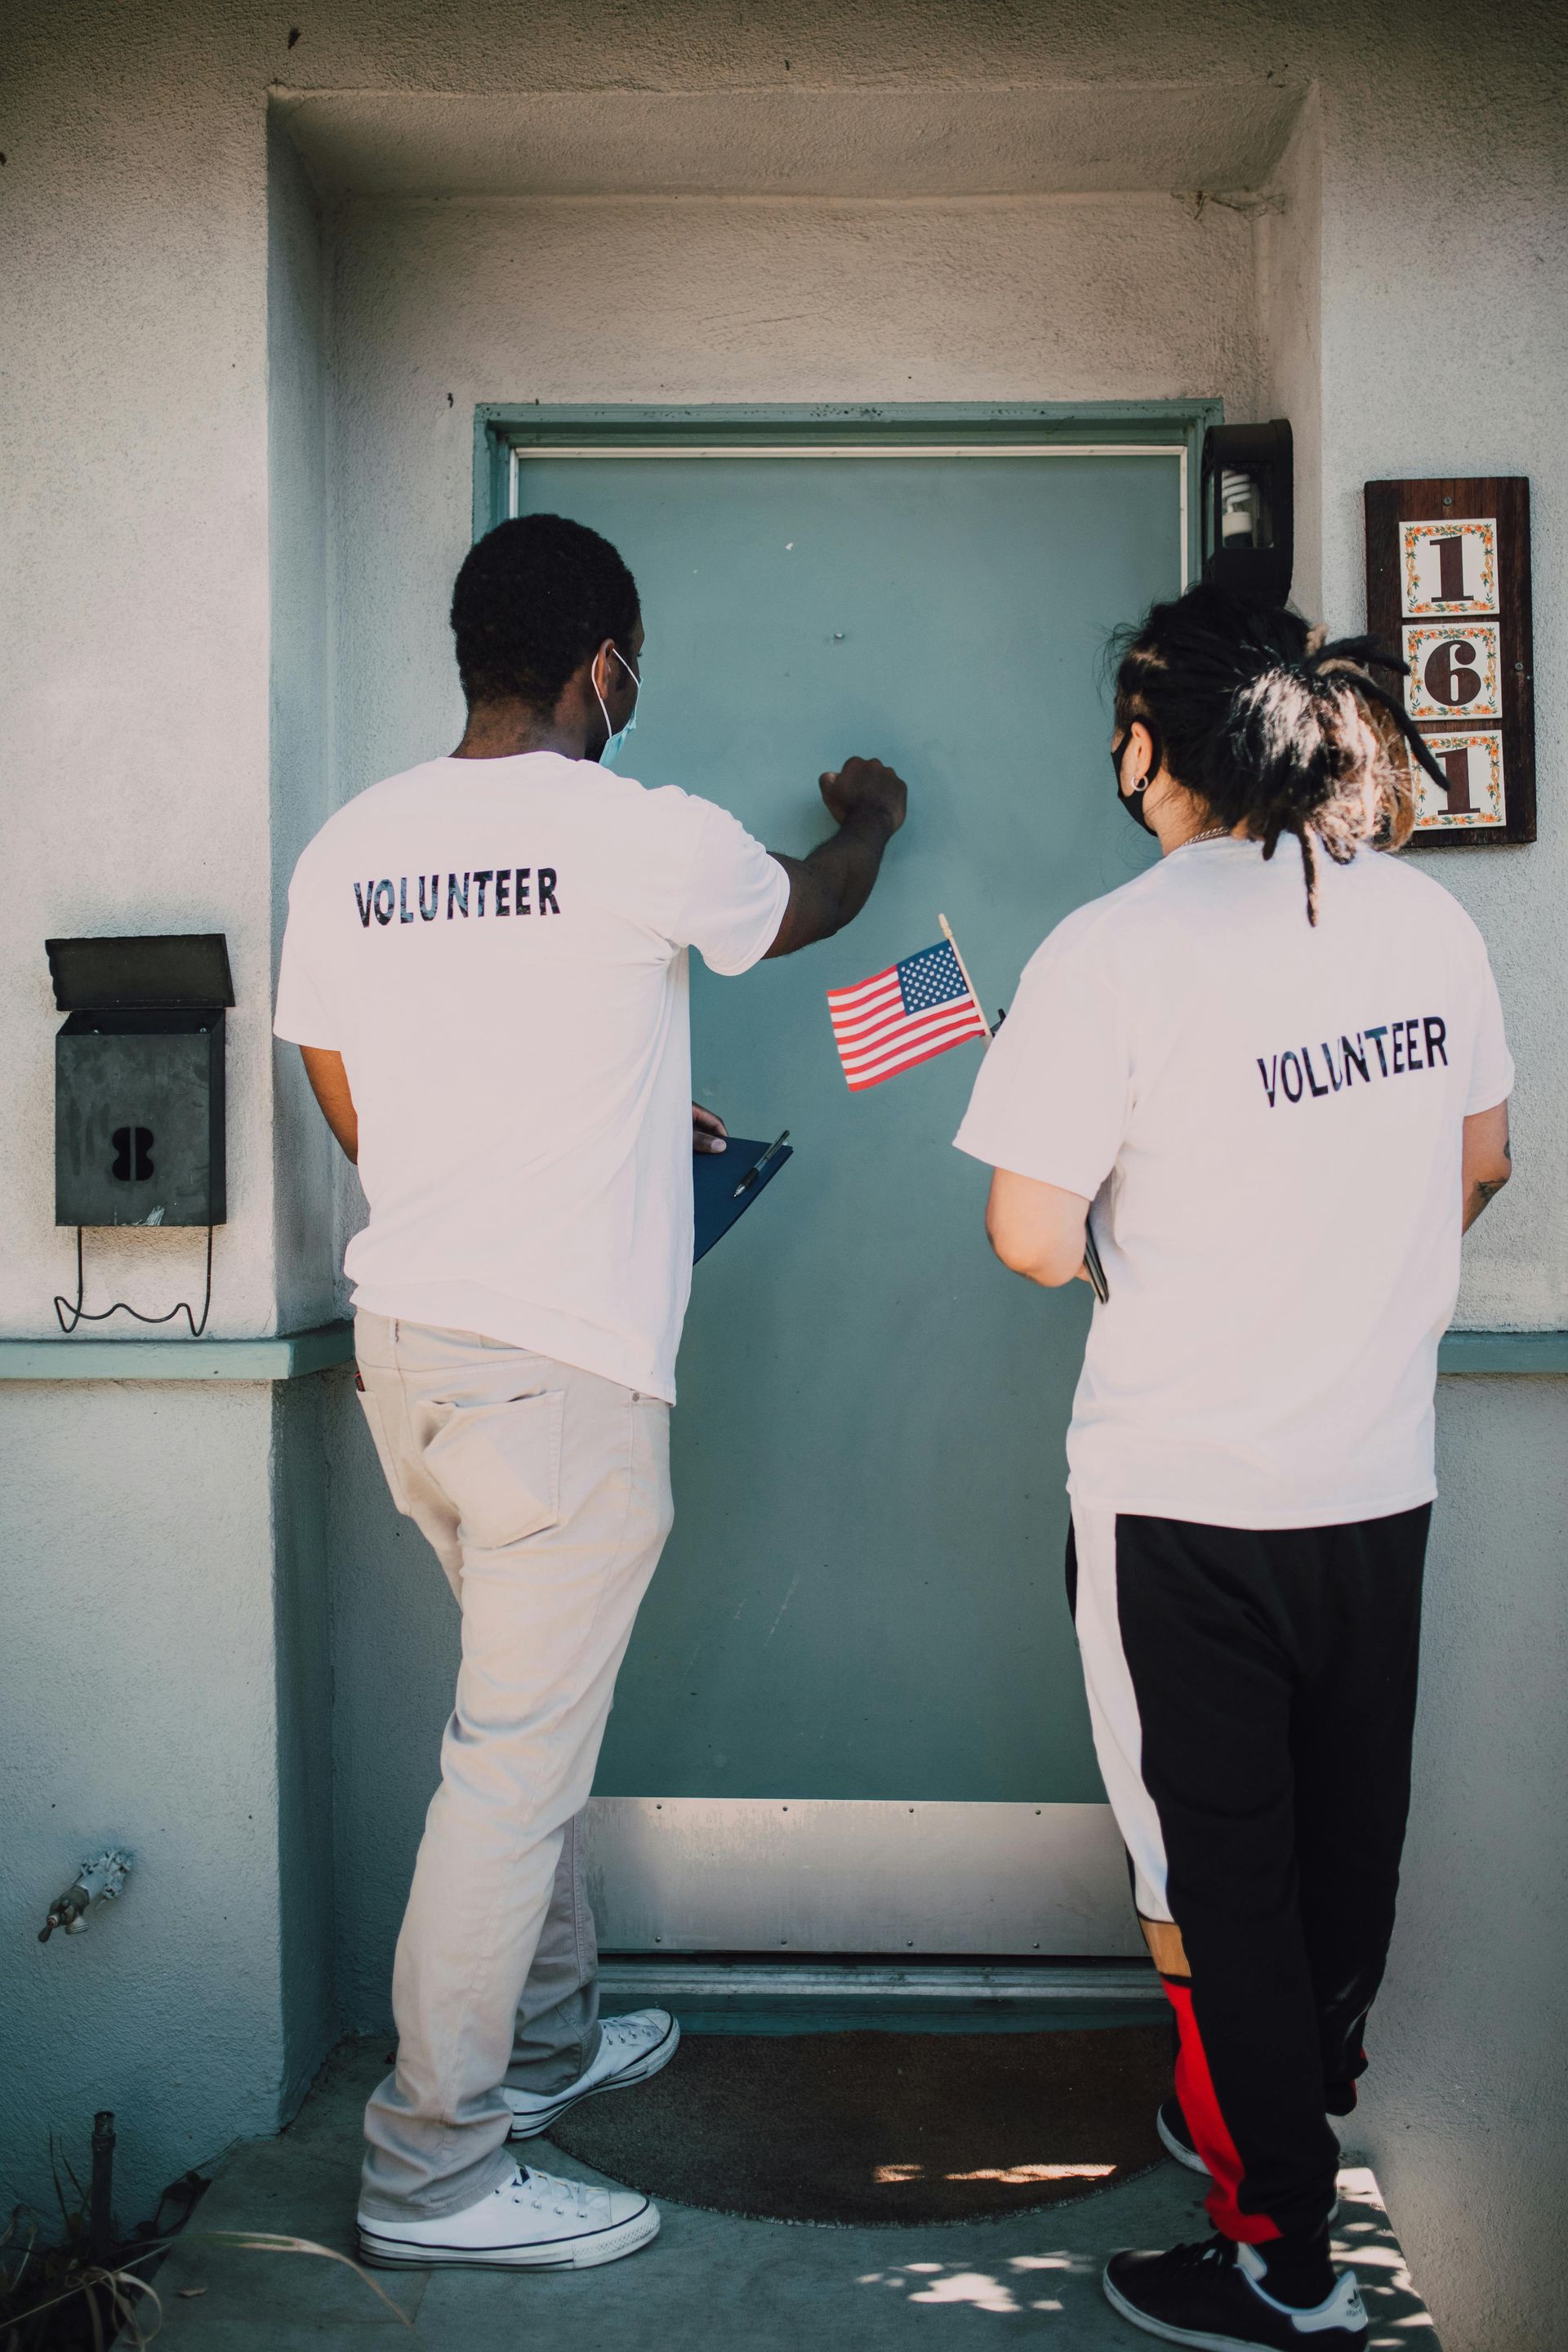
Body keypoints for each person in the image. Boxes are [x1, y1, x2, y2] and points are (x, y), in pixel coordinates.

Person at [274, 512, 908, 2272]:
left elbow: (352, 1085)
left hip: (411, 1351)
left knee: (513, 1733)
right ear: (602, 665)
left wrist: (573, 1145)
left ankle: (542, 2050)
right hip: (560, 1377)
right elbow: (811, 909)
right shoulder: (636, 836)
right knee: (507, 1774)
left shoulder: (352, 849)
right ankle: (437, 2174)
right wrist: (871, 819)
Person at [955, 584, 1512, 2351]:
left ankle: (1282, 2251)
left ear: (1151, 746)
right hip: (1377, 1479)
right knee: (1346, 1850)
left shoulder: (1112, 951)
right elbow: (1480, 1162)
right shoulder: (1423, 923)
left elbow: (1032, 1239)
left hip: (1181, 1498)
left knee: (1212, 1876)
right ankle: (1281, 2118)